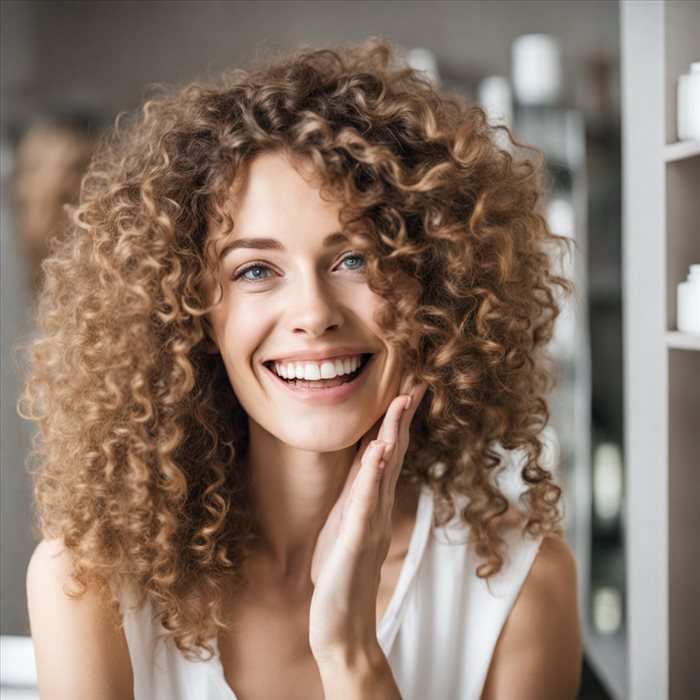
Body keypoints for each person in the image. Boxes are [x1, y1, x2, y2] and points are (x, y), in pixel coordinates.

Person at [23, 41, 581, 699]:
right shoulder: (92, 585)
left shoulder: (521, 587)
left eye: (356, 260)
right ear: (193, 311)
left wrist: (350, 654)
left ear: (432, 287)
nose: (313, 314)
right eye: (256, 270)